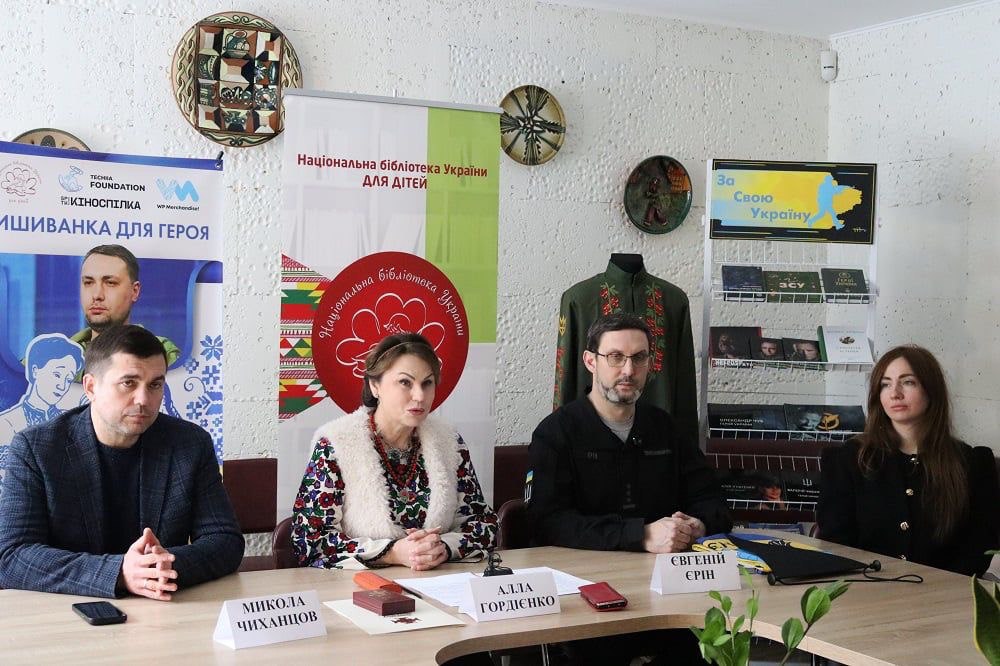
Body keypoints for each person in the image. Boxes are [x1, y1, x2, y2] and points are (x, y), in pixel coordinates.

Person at [527, 313, 731, 665]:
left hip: (669, 590)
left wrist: (696, 525)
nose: (628, 370)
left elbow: (714, 502)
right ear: (590, 361)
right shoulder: (556, 433)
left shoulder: (666, 428)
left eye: (639, 358)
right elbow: (546, 522)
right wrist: (641, 535)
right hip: (586, 596)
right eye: (615, 357)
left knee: (713, 643)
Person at [0, 325, 244, 598]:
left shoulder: (190, 444)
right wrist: (119, 573)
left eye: (155, 385)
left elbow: (225, 541)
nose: (144, 399)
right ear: (91, 387)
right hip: (70, 609)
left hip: (162, 607)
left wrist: (158, 567)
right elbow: (12, 557)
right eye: (129, 383)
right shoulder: (36, 449)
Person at [292, 332, 497, 570]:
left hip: (438, 581)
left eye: (427, 383)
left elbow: (484, 523)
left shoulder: (449, 441)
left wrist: (442, 547)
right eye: (405, 382)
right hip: (358, 586)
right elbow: (310, 540)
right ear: (375, 385)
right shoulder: (336, 443)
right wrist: (392, 553)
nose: (419, 396)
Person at [818, 345, 999, 576]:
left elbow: (979, 549)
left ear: (931, 390)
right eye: (885, 384)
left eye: (908, 382)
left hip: (947, 593)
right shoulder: (849, 459)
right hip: (866, 589)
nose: (895, 393)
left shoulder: (971, 463)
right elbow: (836, 543)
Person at [72, 244, 181, 368]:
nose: (97, 295)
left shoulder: (163, 355)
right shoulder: (59, 354)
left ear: (135, 291)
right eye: (88, 282)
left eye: (110, 283)